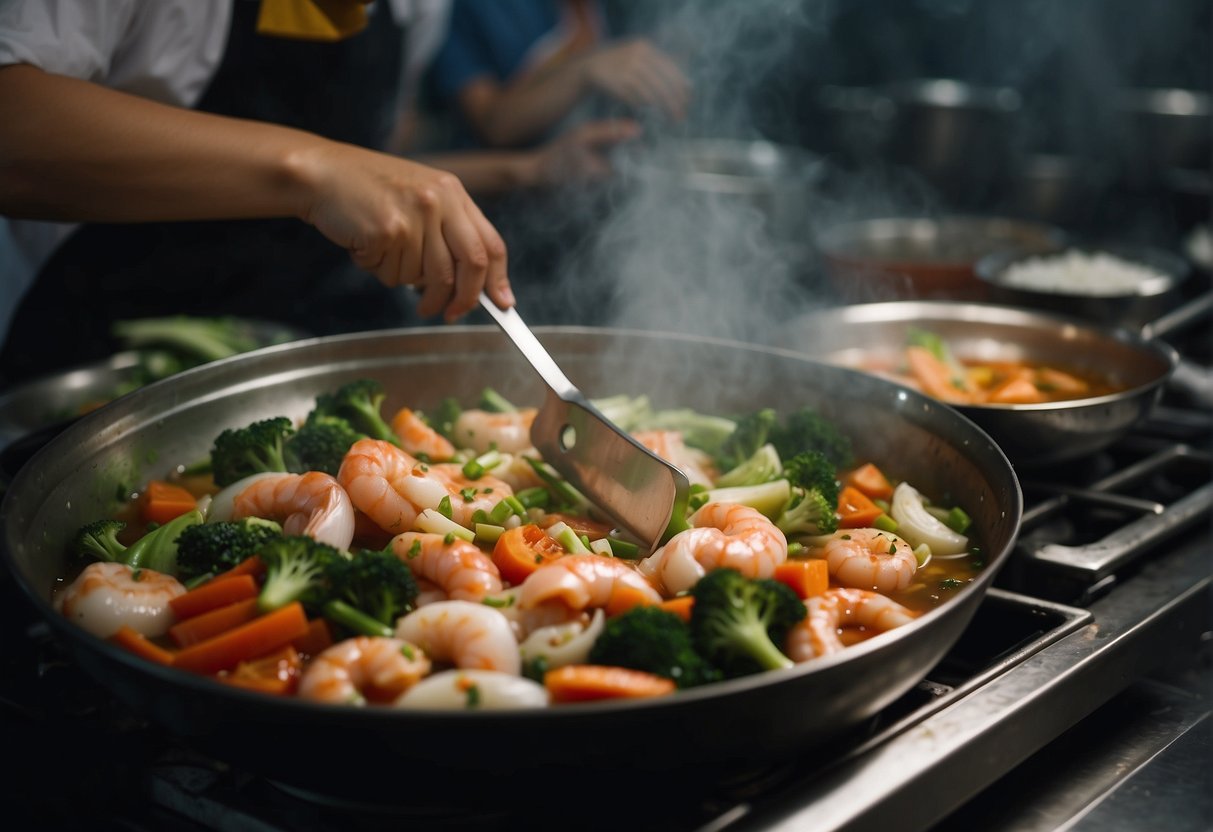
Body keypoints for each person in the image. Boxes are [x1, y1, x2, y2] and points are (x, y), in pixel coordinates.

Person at [0, 0, 639, 385]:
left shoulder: (416, 9)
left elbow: (373, 174)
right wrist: (313, 170)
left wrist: (526, 170)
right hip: (103, 364)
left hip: (302, 345)